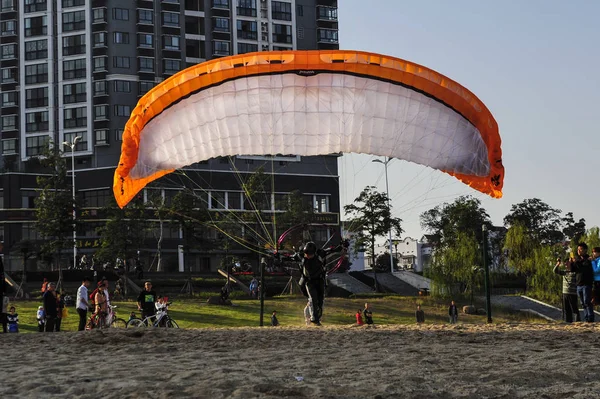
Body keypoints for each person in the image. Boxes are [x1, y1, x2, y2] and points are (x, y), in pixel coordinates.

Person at [297, 240, 348, 326]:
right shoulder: (300, 256)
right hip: (309, 281)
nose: (308, 256)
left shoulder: (320, 254)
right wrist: (277, 256)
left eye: (310, 254)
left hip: (320, 280)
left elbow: (334, 250)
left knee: (320, 300)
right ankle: (314, 318)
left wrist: (343, 246)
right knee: (313, 298)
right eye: (307, 254)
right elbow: (288, 257)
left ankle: (317, 319)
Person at [570, 243, 594, 322]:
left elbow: (584, 267)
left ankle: (590, 317)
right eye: (578, 249)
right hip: (579, 284)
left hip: (586, 283)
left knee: (587, 301)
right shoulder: (577, 258)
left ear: (585, 250)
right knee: (583, 302)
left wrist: (577, 262)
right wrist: (572, 263)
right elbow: (573, 270)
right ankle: (586, 317)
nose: (579, 251)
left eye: (580, 249)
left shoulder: (589, 259)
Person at [554, 257, 581, 323]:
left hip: (573, 293)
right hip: (565, 292)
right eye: (565, 263)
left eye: (567, 262)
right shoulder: (564, 272)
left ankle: (577, 321)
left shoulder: (575, 272)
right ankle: (568, 321)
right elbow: (555, 271)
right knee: (566, 308)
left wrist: (575, 262)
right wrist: (558, 263)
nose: (566, 264)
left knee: (574, 308)